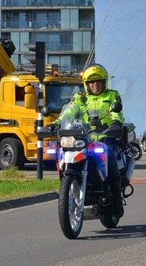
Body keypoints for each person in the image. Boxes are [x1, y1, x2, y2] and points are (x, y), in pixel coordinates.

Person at [50, 63, 126, 216]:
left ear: (104, 82)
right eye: (91, 82)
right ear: (86, 84)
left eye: (98, 81)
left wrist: (116, 123)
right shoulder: (80, 98)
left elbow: (116, 113)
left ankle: (117, 200)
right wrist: (55, 124)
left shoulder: (112, 95)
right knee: (62, 153)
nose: (95, 85)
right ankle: (68, 189)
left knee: (110, 154)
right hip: (84, 138)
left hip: (105, 137)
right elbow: (68, 113)